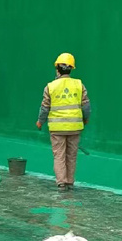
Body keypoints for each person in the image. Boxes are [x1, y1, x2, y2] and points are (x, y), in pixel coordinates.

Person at [36, 53, 90, 191]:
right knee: (71, 155)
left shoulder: (50, 86)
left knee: (59, 155)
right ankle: (70, 182)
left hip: (57, 128)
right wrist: (86, 119)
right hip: (75, 127)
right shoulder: (79, 85)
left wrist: (40, 122)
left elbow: (45, 107)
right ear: (71, 69)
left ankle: (61, 183)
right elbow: (86, 106)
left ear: (57, 69)